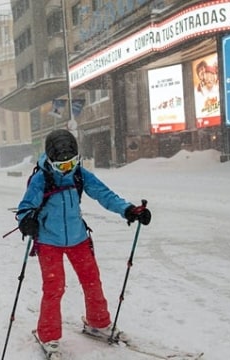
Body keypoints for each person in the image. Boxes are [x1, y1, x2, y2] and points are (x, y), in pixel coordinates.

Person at [15, 129, 151, 354]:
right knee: (54, 287)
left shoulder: (79, 174)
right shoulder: (42, 178)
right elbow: (25, 206)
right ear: (50, 160)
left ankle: (98, 322)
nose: (67, 170)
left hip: (78, 238)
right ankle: (48, 334)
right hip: (49, 241)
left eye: (71, 163)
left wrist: (129, 210)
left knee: (91, 280)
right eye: (62, 166)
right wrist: (26, 221)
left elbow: (104, 194)